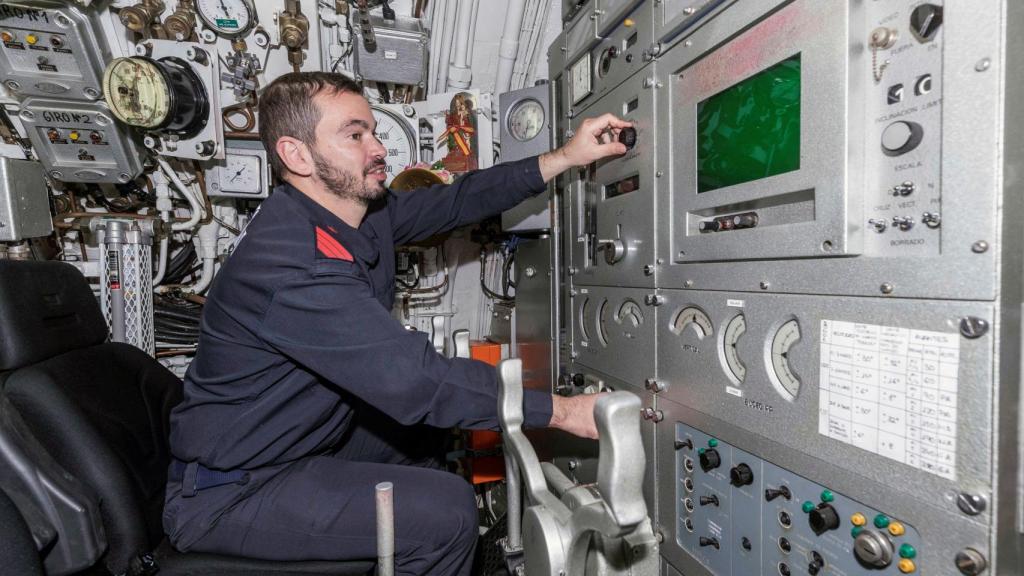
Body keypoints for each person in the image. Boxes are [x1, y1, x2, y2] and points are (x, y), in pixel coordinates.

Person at [163, 71, 632, 576]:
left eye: (372, 131)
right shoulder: (290, 266)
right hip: (233, 488)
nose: (377, 148)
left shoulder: (355, 214)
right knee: (448, 512)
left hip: (299, 439)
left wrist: (565, 157)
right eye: (354, 135)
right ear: (297, 155)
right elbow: (416, 381)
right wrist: (562, 411)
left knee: (425, 443)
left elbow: (456, 200)